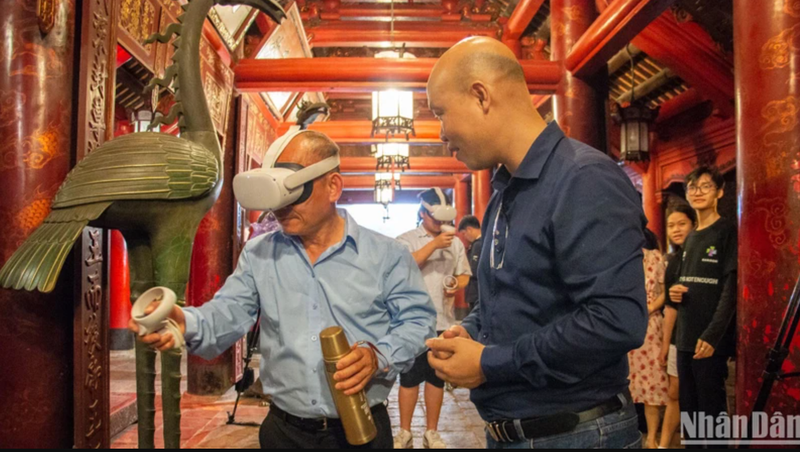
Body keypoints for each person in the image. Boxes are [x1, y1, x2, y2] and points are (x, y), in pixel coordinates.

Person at [129, 131, 437, 449]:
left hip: (363, 428)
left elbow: (418, 322)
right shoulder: (260, 253)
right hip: (284, 433)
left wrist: (378, 355)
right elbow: (227, 313)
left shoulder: (387, 255)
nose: (281, 207)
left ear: (333, 186)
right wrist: (186, 322)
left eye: (294, 192)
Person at [424, 37, 648, 449]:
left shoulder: (583, 178)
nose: (441, 133)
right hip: (517, 432)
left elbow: (617, 320)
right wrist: (469, 332)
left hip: (576, 434)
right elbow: (516, 301)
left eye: (441, 113)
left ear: (480, 96)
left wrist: (489, 362)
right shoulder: (506, 191)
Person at [393, 187, 471, 449]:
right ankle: (404, 431)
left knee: (437, 377)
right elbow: (404, 266)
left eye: (444, 220)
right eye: (435, 219)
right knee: (410, 377)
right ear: (422, 213)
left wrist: (456, 285)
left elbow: (463, 275)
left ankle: (432, 432)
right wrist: (434, 244)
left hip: (444, 320)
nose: (441, 225)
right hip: (411, 321)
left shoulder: (456, 242)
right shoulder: (406, 239)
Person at [668, 166, 736, 448]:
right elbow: (684, 284)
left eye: (705, 186)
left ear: (719, 192)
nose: (697, 192)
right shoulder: (691, 236)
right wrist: (673, 292)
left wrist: (712, 335)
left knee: (713, 417)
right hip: (685, 339)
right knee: (691, 419)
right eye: (692, 187)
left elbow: (731, 288)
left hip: (709, 341)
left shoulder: (727, 230)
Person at [658, 203, 696, 449]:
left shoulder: (705, 255)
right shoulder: (672, 262)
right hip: (677, 339)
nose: (676, 230)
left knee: (698, 396)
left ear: (693, 224)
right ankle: (663, 445)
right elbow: (670, 308)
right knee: (674, 393)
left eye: (682, 224)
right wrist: (664, 345)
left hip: (702, 337)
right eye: (671, 225)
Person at [628, 228, 669, 449]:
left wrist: (651, 307)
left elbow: (666, 290)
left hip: (651, 326)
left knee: (651, 384)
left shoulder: (655, 257)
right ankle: (636, 434)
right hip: (628, 325)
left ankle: (652, 437)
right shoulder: (620, 258)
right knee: (631, 384)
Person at [458, 215, 483, 314]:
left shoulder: (478, 244)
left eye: (464, 234)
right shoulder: (485, 241)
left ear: (469, 229)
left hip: (476, 291)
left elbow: (473, 269)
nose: (464, 237)